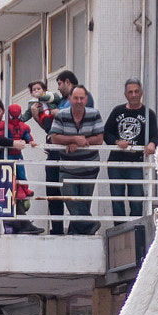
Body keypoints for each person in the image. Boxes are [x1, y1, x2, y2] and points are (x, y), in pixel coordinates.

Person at [47, 84, 103, 235]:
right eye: (76, 98)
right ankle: (89, 223)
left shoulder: (94, 114)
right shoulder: (61, 115)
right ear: (70, 99)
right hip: (68, 168)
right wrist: (73, 140)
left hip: (89, 167)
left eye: (82, 98)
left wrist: (81, 142)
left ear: (86, 100)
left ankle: (77, 232)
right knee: (69, 198)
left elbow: (99, 139)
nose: (79, 101)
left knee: (84, 203)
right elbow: (54, 138)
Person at [102, 80, 158, 220]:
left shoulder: (148, 113)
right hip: (116, 162)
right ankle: (119, 232)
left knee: (136, 200)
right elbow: (106, 132)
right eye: (130, 92)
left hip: (136, 163)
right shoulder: (118, 111)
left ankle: (135, 230)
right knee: (117, 200)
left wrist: (151, 144)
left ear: (141, 93)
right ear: (125, 94)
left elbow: (154, 136)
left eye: (136, 91)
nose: (133, 95)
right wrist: (116, 142)